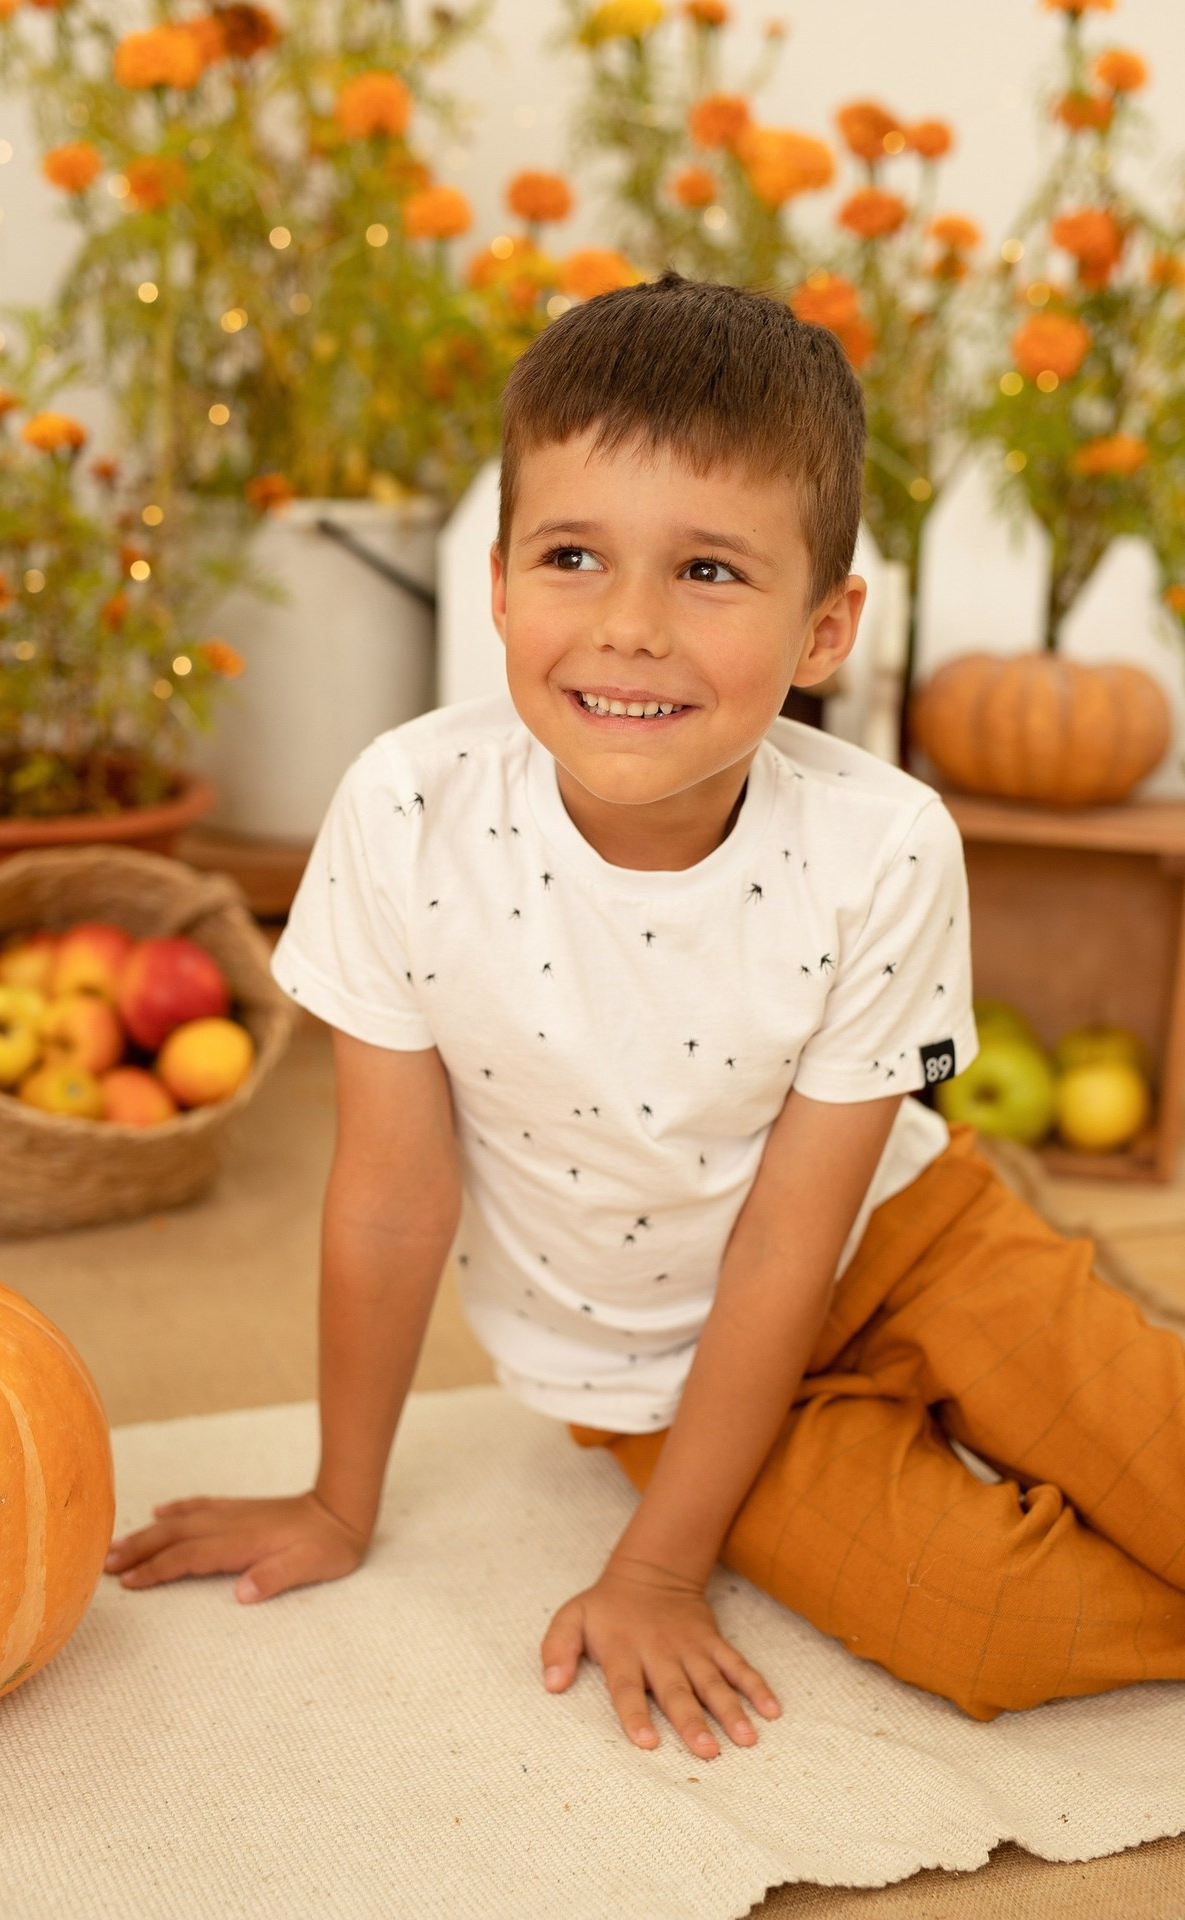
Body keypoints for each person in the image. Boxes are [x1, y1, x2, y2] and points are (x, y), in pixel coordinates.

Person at [104, 272, 1185, 1758]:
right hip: (653, 1376)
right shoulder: (406, 811)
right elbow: (392, 1201)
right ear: (499, 588)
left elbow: (793, 1240)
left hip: (913, 1246)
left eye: (710, 571)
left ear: (825, 629)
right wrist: (341, 1503)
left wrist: (663, 1570)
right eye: (572, 556)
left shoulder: (884, 845)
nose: (628, 627)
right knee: (997, 1625)